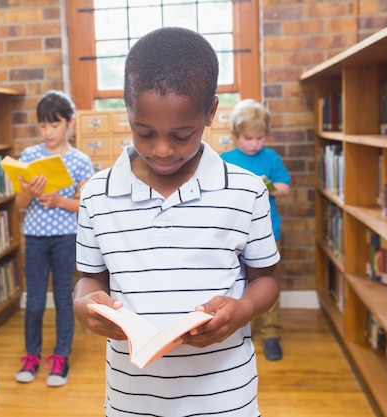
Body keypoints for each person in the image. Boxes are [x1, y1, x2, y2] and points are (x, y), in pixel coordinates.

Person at [73, 27, 280, 416]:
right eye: (144, 132)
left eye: (182, 134)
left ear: (211, 113)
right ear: (127, 109)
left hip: (225, 396)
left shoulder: (245, 190)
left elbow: (266, 278)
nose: (162, 149)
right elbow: (90, 278)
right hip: (133, 398)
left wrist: (244, 310)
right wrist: (83, 304)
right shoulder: (96, 194)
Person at [14, 90, 94, 387]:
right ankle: (31, 355)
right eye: (43, 126)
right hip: (34, 237)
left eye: (54, 125)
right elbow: (21, 203)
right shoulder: (30, 156)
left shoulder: (80, 160)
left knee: (62, 298)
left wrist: (60, 202)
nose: (48, 132)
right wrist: (30, 192)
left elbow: (86, 206)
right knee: (33, 301)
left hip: (65, 237)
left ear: (69, 123)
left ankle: (61, 357)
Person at [221, 98, 291, 361]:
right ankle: (235, 327)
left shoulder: (271, 158)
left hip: (269, 232)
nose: (254, 144)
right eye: (249, 138)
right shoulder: (224, 160)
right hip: (233, 234)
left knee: (268, 281)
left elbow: (285, 188)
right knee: (237, 283)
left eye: (259, 138)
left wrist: (268, 186)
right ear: (237, 135)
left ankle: (271, 333)